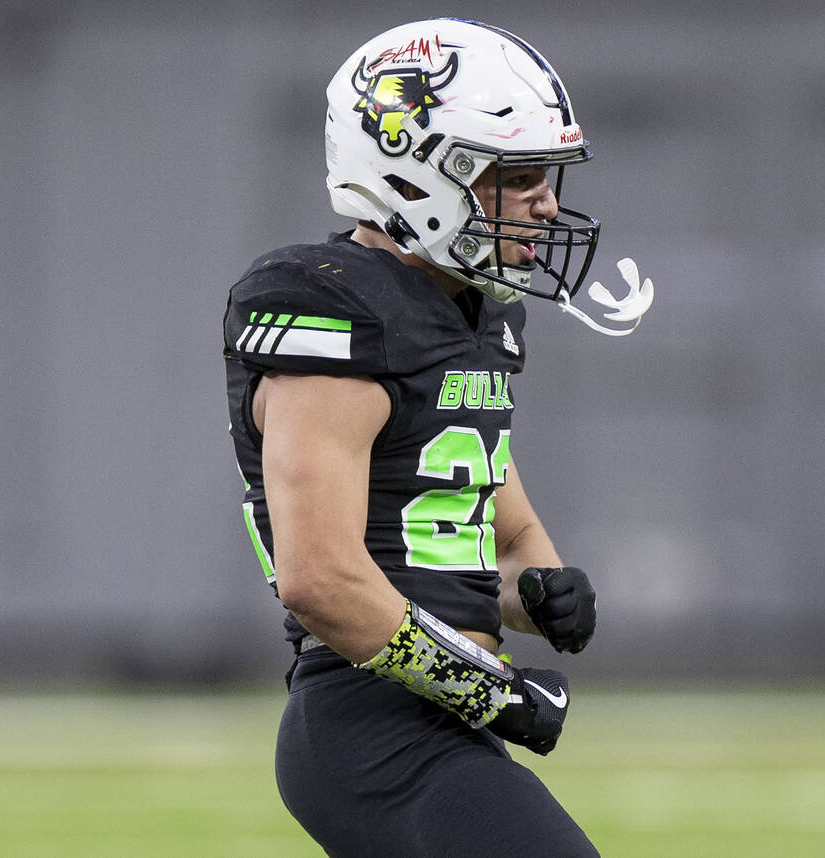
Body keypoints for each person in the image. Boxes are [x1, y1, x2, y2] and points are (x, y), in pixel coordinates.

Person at [223, 17, 652, 858]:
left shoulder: (470, 313)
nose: (547, 203)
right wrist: (492, 691)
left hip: (431, 723)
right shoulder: (331, 306)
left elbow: (493, 537)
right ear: (417, 174)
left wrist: (536, 591)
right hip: (370, 726)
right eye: (519, 175)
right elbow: (319, 578)